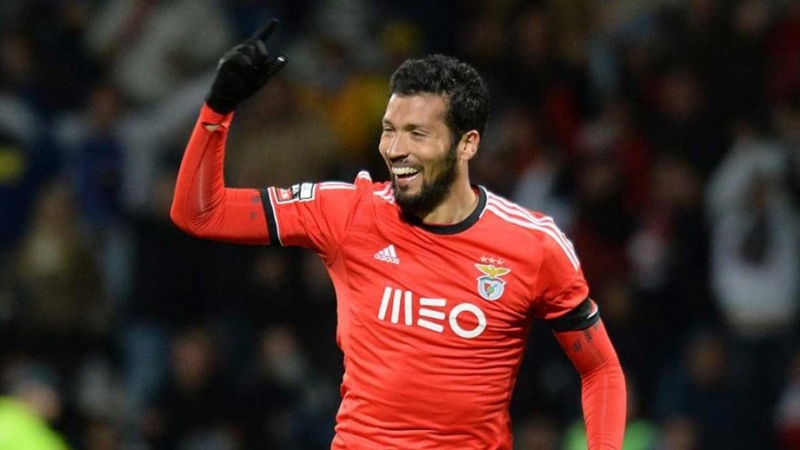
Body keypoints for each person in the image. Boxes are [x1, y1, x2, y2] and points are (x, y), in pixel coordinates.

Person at [170, 19, 627, 449]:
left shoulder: (534, 245)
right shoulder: (348, 212)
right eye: (389, 130)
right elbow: (200, 213)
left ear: (467, 144)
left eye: (417, 134)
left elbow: (601, 370)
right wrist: (218, 109)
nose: (395, 149)